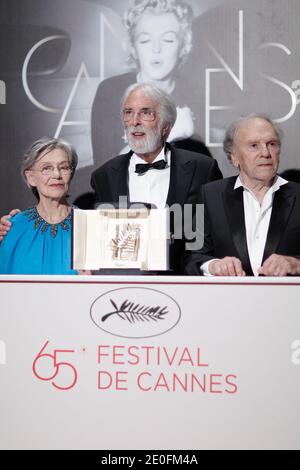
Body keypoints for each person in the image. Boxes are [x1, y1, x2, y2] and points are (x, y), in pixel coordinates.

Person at [90, 82, 222, 273]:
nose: (134, 121)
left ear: (165, 127)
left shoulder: (201, 169)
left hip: (186, 285)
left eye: (145, 113)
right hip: (125, 287)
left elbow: (212, 236)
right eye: (128, 112)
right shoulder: (104, 175)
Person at [91, 0, 208, 168]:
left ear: (183, 46)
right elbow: (104, 173)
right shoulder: (110, 92)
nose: (156, 49)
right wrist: (169, 134)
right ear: (133, 47)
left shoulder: (197, 94)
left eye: (168, 40)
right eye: (145, 40)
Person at [184, 114, 300, 276]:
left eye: (272, 144)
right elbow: (192, 256)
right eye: (254, 145)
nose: (265, 153)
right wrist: (214, 265)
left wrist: (296, 264)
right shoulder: (210, 195)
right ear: (234, 157)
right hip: (228, 299)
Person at [0, 138, 83, 275]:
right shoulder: (13, 227)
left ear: (71, 173)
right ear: (31, 177)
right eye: (46, 168)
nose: (57, 175)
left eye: (64, 167)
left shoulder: (89, 226)